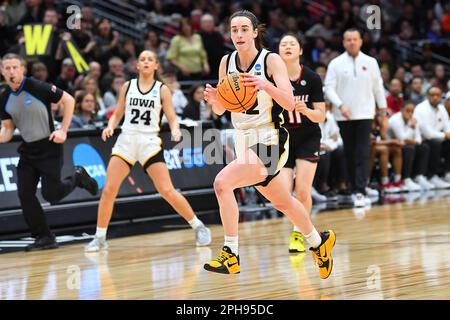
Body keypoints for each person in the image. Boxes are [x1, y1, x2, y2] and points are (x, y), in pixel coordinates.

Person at [203, 10, 335, 279]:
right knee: (283, 201)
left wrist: (266, 85)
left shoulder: (271, 60)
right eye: (234, 29)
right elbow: (220, 111)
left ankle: (231, 254)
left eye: (243, 29)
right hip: (243, 139)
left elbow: (289, 103)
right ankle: (318, 243)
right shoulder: (225, 62)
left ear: (254, 33)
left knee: (222, 183)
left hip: (270, 139)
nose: (238, 34)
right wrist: (215, 99)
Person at [84, 50, 212, 252]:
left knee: (167, 190)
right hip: (126, 140)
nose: (145, 62)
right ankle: (100, 237)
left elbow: (171, 117)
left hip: (149, 142)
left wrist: (176, 130)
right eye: (142, 59)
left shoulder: (162, 90)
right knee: (109, 190)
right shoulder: (128, 87)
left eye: (149, 60)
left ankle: (198, 226)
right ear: (137, 65)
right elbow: (118, 113)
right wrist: (110, 126)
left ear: (155, 66)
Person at [0, 53, 98, 251]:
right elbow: (8, 130)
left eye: (14, 67)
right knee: (25, 194)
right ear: (2, 71)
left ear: (22, 69)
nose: (11, 71)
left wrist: (63, 130)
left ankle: (78, 176)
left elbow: (69, 100)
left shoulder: (36, 86)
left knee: (51, 195)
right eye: (7, 68)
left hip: (49, 146)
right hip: (28, 151)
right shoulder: (4, 98)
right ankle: (44, 236)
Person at [324, 28, 388, 207]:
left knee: (362, 152)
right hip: (343, 116)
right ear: (343, 42)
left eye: (355, 39)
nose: (352, 42)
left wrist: (383, 111)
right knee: (349, 153)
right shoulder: (335, 64)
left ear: (361, 41)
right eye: (348, 39)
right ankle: (354, 188)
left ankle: (360, 190)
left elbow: (378, 88)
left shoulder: (371, 62)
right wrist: (340, 105)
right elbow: (328, 88)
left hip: (365, 114)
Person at [277, 34, 326, 253]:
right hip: (283, 138)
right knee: (285, 193)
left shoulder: (312, 78)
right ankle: (300, 228)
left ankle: (298, 233)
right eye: (283, 44)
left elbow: (321, 116)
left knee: (303, 192)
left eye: (292, 44)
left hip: (308, 136)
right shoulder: (271, 79)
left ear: (300, 51)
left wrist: (307, 111)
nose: (287, 47)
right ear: (278, 52)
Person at [387, 101, 433, 190]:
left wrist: (411, 139)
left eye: (412, 111)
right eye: (407, 110)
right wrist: (412, 128)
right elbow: (402, 138)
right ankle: (405, 178)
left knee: (424, 147)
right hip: (392, 145)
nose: (410, 113)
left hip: (404, 145)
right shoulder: (395, 120)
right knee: (410, 149)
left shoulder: (413, 119)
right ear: (401, 110)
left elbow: (418, 140)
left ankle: (418, 176)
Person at [413, 86, 450, 187]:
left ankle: (447, 173)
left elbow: (447, 125)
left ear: (441, 97)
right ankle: (431, 176)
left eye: (438, 95)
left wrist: (448, 134)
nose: (435, 97)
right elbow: (427, 134)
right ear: (427, 96)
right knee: (435, 143)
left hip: (438, 138)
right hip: (422, 140)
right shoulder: (421, 108)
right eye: (432, 95)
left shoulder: (442, 109)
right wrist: (445, 135)